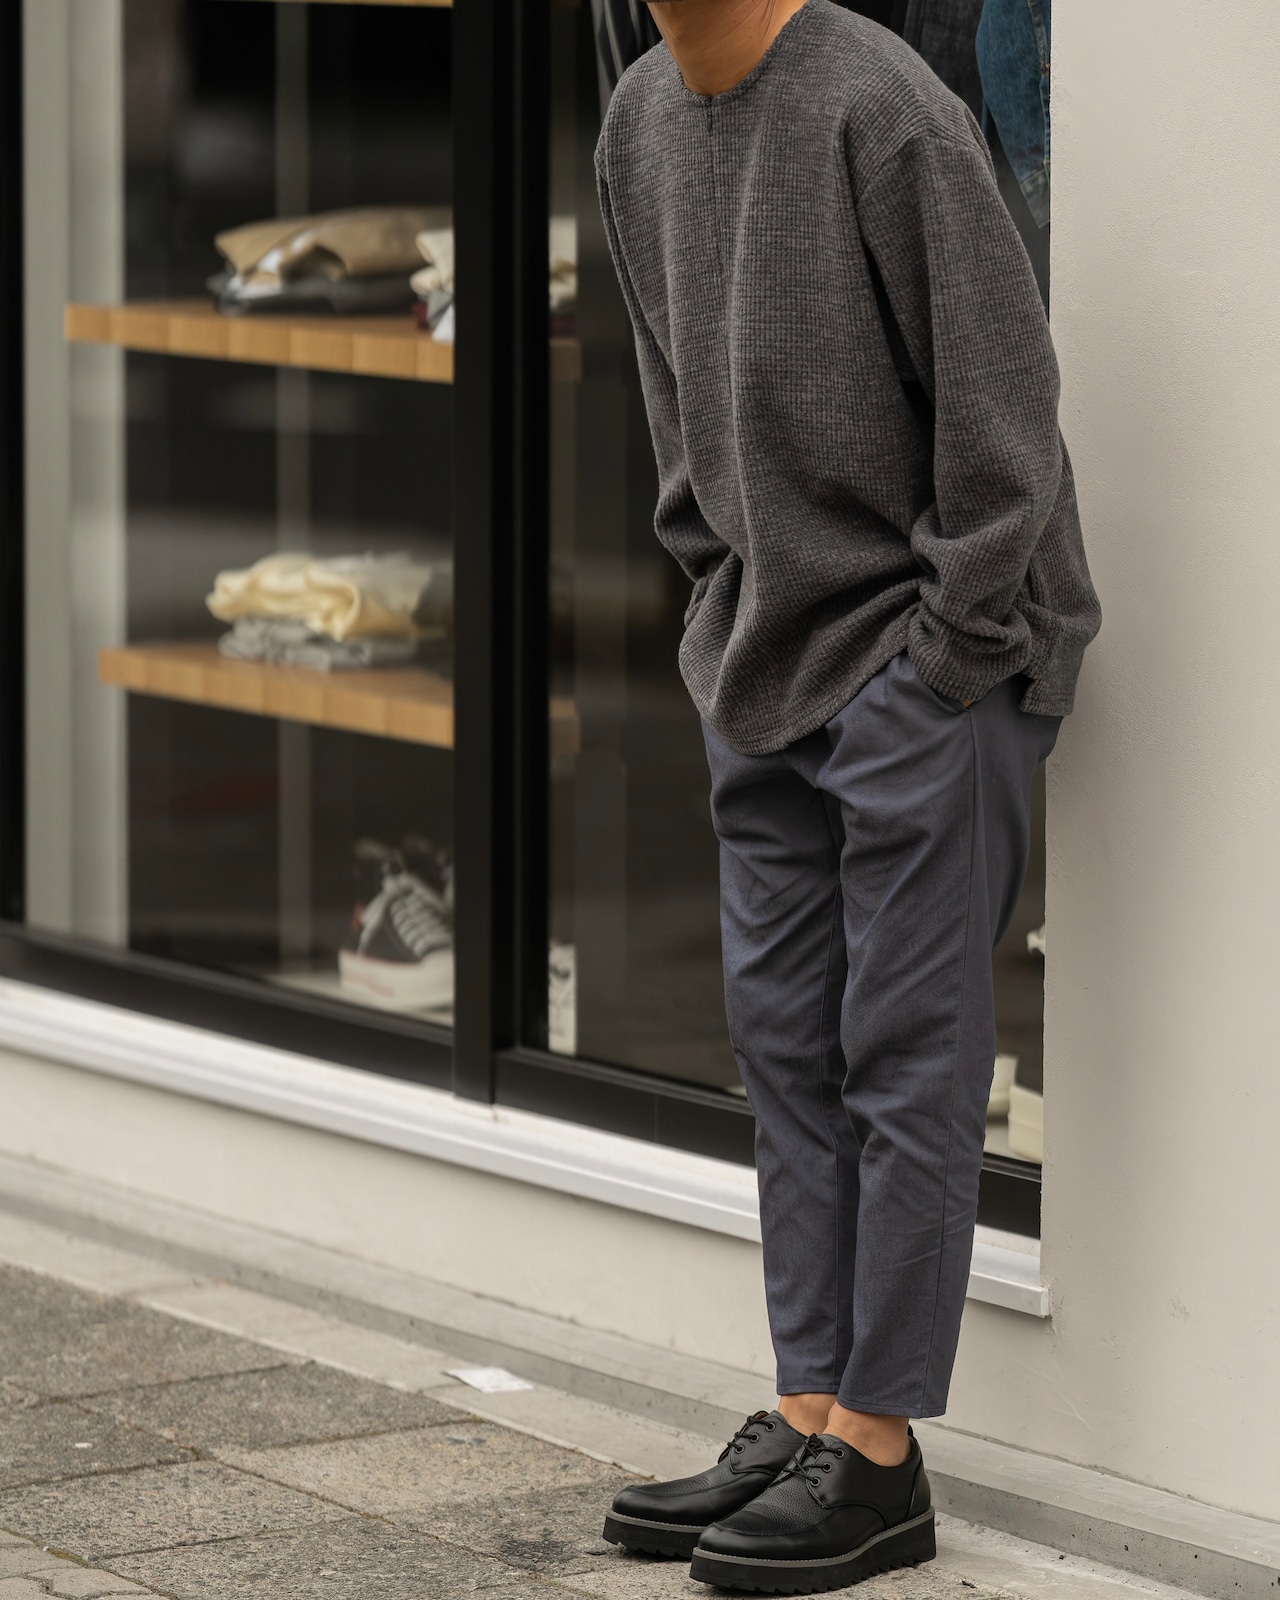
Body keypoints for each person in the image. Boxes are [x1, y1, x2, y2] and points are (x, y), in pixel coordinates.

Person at [595, 0, 1099, 1592]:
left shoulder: (884, 111)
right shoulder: (638, 122)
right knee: (787, 1051)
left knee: (904, 1057)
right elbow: (674, 408)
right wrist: (717, 606)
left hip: (930, 661)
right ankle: (810, 1405)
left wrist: (944, 660)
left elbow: (1007, 427)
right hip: (766, 649)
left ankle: (878, 1453)